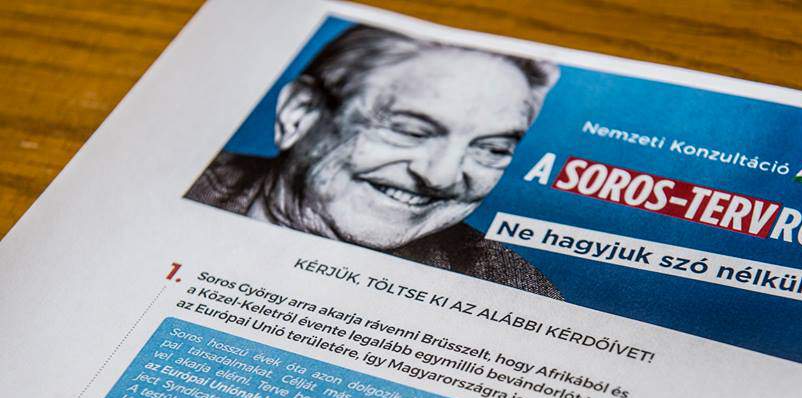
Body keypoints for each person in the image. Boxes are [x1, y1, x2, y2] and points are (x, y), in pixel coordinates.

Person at [186, 24, 562, 299]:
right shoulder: (184, 181)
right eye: (411, 131)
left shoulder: (513, 288)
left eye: (491, 149)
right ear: (299, 114)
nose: (441, 176)